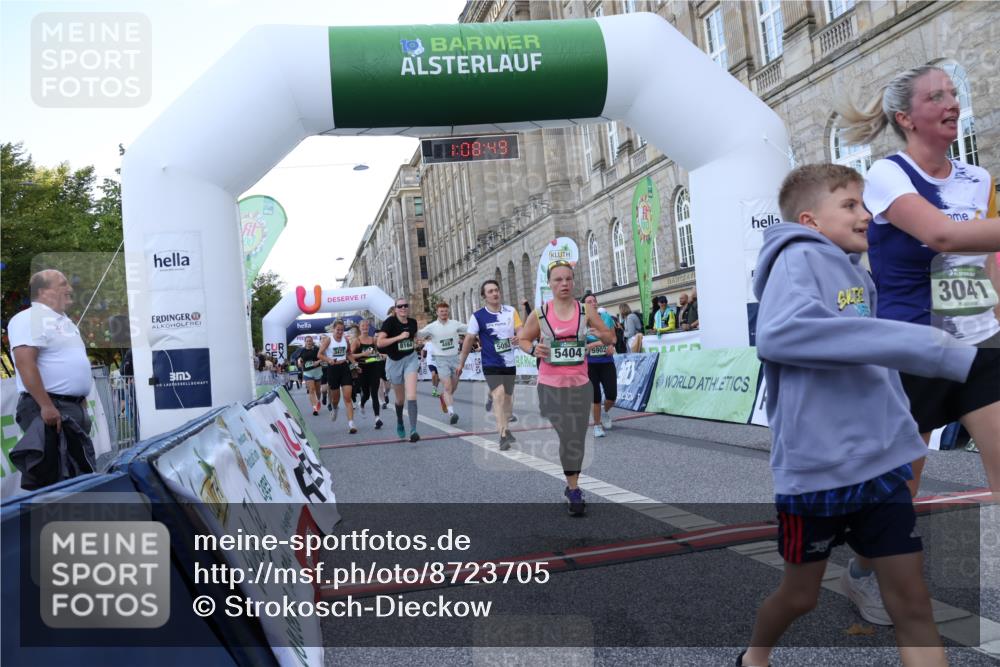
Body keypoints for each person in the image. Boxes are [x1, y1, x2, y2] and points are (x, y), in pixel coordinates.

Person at [738, 163, 992, 667]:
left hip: (881, 469)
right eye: (850, 205)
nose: (866, 215)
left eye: (866, 204)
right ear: (810, 220)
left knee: (912, 604)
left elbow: (866, 359)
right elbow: (780, 334)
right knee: (800, 597)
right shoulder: (795, 257)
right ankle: (754, 658)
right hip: (816, 476)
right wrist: (927, 346)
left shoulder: (855, 269)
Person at [836, 64, 1000, 626]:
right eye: (937, 96)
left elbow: (987, 259)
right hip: (912, 350)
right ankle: (862, 573)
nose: (952, 102)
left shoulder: (978, 178)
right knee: (900, 489)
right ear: (906, 117)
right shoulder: (888, 174)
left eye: (953, 92)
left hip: (978, 345)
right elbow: (941, 234)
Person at [518, 261, 615, 515]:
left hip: (580, 383)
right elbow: (523, 339)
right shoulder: (540, 313)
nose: (564, 284)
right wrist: (532, 349)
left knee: (576, 439)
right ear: (549, 284)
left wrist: (602, 335)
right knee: (568, 435)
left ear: (574, 281)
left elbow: (610, 337)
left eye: (568, 279)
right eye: (558, 279)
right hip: (550, 384)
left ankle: (572, 487)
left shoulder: (586, 310)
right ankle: (573, 489)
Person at [8, 270, 93, 436]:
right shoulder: (30, 318)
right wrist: (46, 405)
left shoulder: (66, 322)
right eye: (63, 284)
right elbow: (25, 362)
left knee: (76, 454)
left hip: (70, 407)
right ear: (43, 292)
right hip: (50, 406)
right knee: (54, 454)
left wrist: (80, 399)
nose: (70, 289)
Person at [458, 280, 522, 450]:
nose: (495, 293)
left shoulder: (511, 311)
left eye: (496, 290)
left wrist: (520, 337)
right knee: (499, 395)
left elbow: (521, 330)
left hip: (509, 362)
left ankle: (506, 428)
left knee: (508, 399)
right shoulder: (478, 316)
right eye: (490, 291)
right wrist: (461, 363)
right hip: (490, 362)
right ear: (484, 296)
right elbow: (469, 340)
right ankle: (502, 435)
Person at [377, 297, 421, 442]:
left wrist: (415, 342)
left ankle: (413, 430)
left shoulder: (413, 322)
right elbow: (380, 343)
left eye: (405, 306)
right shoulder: (390, 322)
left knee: (412, 395)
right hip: (394, 362)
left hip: (410, 359)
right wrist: (399, 337)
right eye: (400, 306)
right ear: (395, 309)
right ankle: (400, 421)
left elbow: (413, 338)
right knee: (400, 399)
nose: (403, 308)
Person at [418, 302, 466, 425]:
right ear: (437, 313)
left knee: (453, 387)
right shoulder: (432, 327)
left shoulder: (455, 324)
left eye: (445, 311)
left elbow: (469, 329)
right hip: (441, 359)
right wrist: (409, 330)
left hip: (455, 358)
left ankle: (444, 398)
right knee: (448, 387)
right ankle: (451, 413)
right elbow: (419, 334)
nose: (444, 313)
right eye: (441, 311)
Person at [583, 294, 617, 438]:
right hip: (590, 364)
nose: (592, 303)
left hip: (606, 361)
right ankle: (597, 425)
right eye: (588, 302)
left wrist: (610, 345)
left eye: (594, 301)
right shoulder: (580, 321)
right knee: (595, 396)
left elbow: (613, 338)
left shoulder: (606, 318)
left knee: (612, 395)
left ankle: (604, 411)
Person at [319, 320, 357, 434]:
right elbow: (319, 354)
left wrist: (355, 364)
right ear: (333, 329)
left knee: (347, 397)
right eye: (338, 330)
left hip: (344, 367)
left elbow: (348, 353)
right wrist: (329, 360)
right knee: (336, 399)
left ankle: (351, 424)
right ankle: (335, 408)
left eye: (342, 330)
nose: (340, 332)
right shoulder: (328, 340)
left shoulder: (345, 340)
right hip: (333, 369)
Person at [352, 318, 385, 430]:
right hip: (362, 370)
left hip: (374, 368)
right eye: (363, 326)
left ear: (369, 327)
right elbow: (350, 355)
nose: (365, 328)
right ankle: (361, 404)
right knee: (366, 394)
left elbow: (377, 351)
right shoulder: (356, 341)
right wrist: (363, 354)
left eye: (366, 326)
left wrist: (380, 355)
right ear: (360, 328)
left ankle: (377, 419)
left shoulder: (373, 339)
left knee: (374, 393)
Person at [298, 336, 323, 414]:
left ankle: (318, 400)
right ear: (305, 342)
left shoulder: (316, 349)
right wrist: (299, 361)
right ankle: (315, 408)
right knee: (311, 390)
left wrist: (318, 362)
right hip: (307, 372)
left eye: (310, 341)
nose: (308, 342)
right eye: (307, 341)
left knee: (318, 390)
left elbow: (323, 357)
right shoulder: (302, 350)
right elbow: (300, 358)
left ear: (312, 342)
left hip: (317, 371)